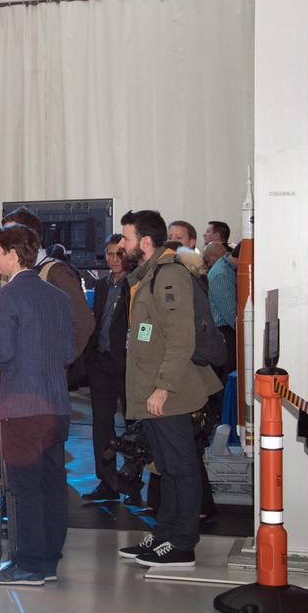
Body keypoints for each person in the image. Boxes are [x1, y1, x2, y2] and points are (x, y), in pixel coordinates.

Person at [117, 210, 222, 569]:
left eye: (127, 238)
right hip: (153, 390)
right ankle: (164, 535)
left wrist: (163, 387)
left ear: (145, 241)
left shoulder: (169, 275)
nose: (122, 245)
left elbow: (180, 339)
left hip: (169, 393)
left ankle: (182, 544)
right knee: (165, 468)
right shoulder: (149, 275)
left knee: (181, 468)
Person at [0, 224, 75, 586]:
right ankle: (47, 561)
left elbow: (3, 351)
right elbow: (68, 352)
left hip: (23, 409)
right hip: (57, 405)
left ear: (13, 255)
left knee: (26, 489)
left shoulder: (6, 295)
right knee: (52, 486)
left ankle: (29, 565)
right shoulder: (59, 296)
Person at [1, 207, 95, 374]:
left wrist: (62, 361)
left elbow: (84, 321)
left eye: (9, 236)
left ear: (29, 238)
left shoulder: (57, 273)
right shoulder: (7, 274)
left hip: (46, 374)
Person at [80, 235, 132, 504]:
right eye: (110, 254)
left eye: (118, 254)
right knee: (102, 424)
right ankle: (107, 480)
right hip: (101, 360)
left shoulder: (134, 284)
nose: (114, 259)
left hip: (127, 362)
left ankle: (132, 481)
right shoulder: (101, 285)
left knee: (133, 424)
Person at [203, 240, 237, 376]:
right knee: (226, 376)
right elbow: (232, 316)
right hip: (224, 333)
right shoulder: (221, 274)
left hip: (224, 331)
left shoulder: (226, 269)